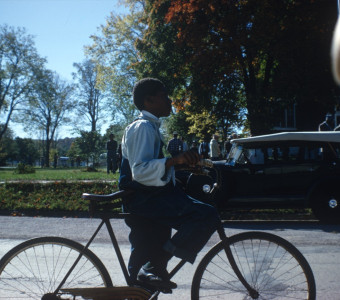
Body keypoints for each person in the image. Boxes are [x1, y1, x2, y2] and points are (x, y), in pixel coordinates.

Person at [119, 78, 219, 292]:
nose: (169, 100)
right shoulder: (142, 127)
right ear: (149, 100)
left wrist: (180, 165)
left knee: (142, 280)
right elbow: (140, 171)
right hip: (143, 200)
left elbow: (153, 169)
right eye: (164, 95)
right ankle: (153, 266)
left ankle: (150, 270)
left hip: (148, 198)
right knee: (205, 215)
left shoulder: (150, 127)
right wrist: (175, 161)